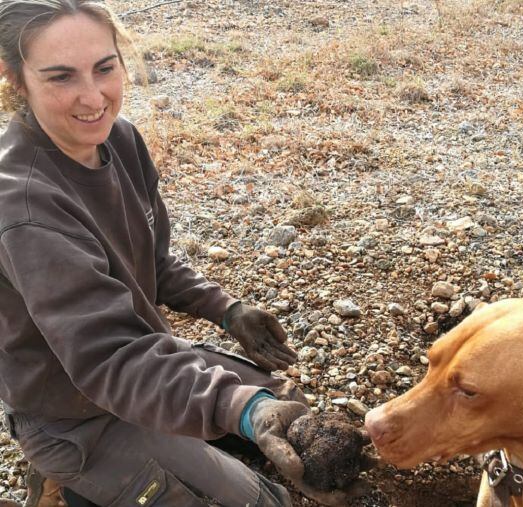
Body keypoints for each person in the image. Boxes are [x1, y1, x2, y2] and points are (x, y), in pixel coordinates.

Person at [0, 1, 362, 505]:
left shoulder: (119, 139)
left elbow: (155, 262)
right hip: (79, 414)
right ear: (16, 79)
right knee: (265, 500)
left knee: (291, 410)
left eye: (105, 68)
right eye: (61, 77)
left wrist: (226, 309)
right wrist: (239, 405)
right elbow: (111, 355)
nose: (92, 97)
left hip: (144, 367)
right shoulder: (23, 206)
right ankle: (65, 479)